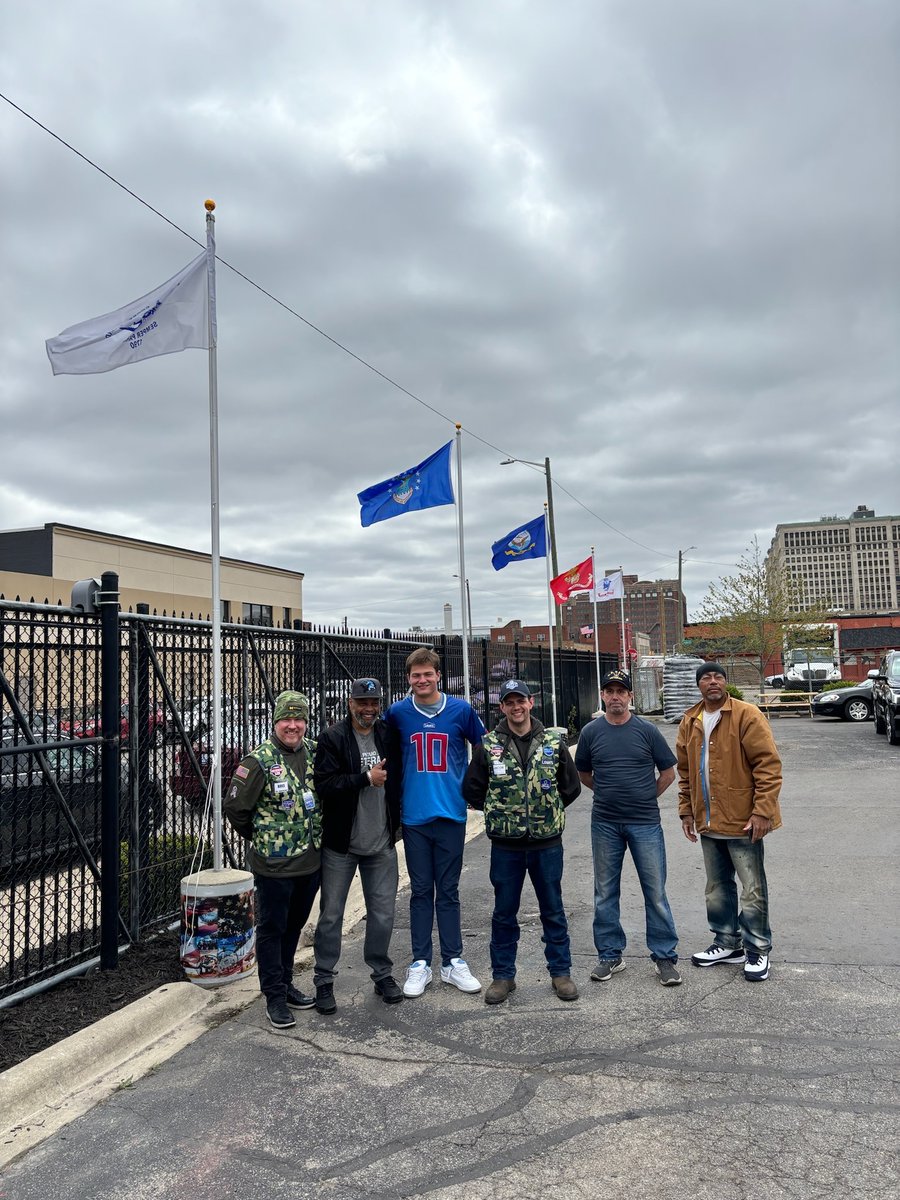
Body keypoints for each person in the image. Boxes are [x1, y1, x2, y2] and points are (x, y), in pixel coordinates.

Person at [463, 679, 583, 1004]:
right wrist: (502, 812)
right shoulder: (488, 746)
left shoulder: (552, 742)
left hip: (546, 843)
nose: (516, 707)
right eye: (509, 702)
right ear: (502, 707)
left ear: (531, 703)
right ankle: (503, 976)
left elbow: (571, 788)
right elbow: (472, 790)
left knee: (553, 910)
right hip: (506, 845)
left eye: (521, 701)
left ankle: (561, 973)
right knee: (504, 912)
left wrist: (546, 811)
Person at [385, 646, 486, 998]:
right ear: (408, 678)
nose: (422, 680)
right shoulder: (398, 713)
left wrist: (475, 790)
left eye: (428, 674)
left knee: (448, 891)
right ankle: (420, 962)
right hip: (414, 815)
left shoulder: (460, 709)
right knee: (420, 891)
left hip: (451, 813)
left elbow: (485, 748)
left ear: (438, 675)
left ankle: (453, 961)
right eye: (416, 675)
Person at [574, 668, 682, 987]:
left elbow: (668, 772)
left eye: (622, 691)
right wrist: (610, 794)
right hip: (605, 823)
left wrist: (644, 796)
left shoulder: (646, 731)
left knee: (655, 891)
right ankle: (610, 955)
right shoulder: (591, 732)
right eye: (610, 691)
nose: (616, 696)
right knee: (605, 892)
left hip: (645, 823)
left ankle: (664, 957)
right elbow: (584, 773)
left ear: (630, 697)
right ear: (603, 696)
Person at [676, 662, 783, 982]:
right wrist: (686, 811)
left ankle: (758, 948)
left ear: (725, 683)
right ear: (699, 686)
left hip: (743, 820)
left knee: (752, 887)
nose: (712, 682)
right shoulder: (690, 720)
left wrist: (762, 811)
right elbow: (685, 772)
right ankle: (727, 942)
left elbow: (768, 765)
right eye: (706, 678)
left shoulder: (746, 715)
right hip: (708, 820)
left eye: (718, 677)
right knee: (717, 887)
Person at [224, 691, 321, 1029]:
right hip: (274, 867)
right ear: (275, 722)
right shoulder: (258, 761)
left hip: (310, 864)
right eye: (286, 719)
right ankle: (274, 997)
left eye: (299, 719)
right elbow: (236, 809)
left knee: (293, 926)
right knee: (272, 928)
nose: (292, 726)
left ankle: (286, 982)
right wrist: (264, 837)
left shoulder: (314, 753)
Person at [312, 677, 402, 1015]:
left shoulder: (387, 734)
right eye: (362, 702)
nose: (368, 709)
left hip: (380, 843)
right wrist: (366, 779)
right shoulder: (332, 738)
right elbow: (324, 785)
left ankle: (382, 973)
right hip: (341, 845)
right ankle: (323, 979)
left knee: (382, 913)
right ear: (350, 703)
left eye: (373, 702)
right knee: (331, 914)